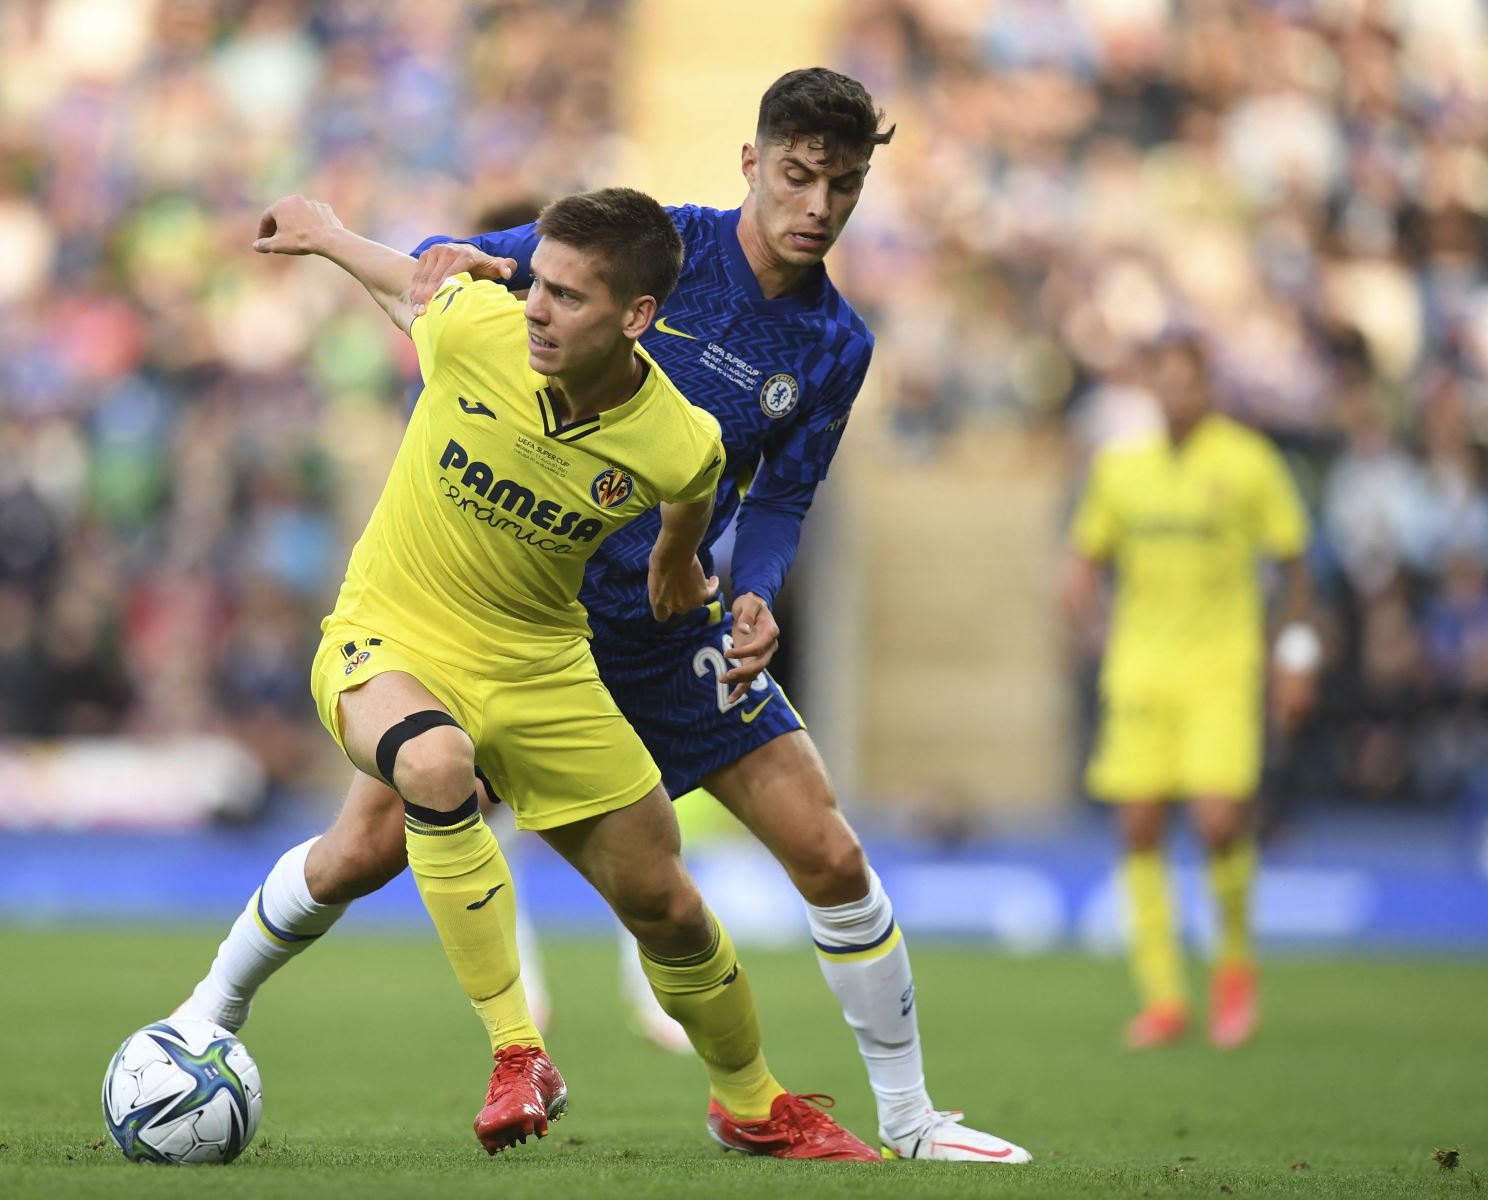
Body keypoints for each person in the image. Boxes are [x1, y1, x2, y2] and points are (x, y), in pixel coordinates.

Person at [181, 68, 1029, 1164]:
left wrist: (755, 587)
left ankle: (906, 1120)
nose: (817, 205)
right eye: (799, 175)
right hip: (524, 614)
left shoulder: (835, 344)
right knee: (362, 847)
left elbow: (779, 491)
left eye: (845, 185)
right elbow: (475, 260)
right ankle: (206, 1015)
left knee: (825, 851)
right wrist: (426, 246)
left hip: (670, 631)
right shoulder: (656, 246)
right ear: (753, 163)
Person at [241, 186, 878, 1160]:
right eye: (536, 285)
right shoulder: (476, 327)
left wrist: (676, 562)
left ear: (635, 320)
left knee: (665, 902)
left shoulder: (677, 436)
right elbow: (405, 282)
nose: (536, 307)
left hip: (544, 665)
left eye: (565, 295)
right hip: (399, 637)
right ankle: (515, 1049)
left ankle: (751, 1102)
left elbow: (698, 488)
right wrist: (326, 236)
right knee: (429, 773)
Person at [1063, 335, 1318, 1050]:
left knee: (1217, 821)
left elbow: (1297, 572)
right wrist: (1089, 620)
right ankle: (1166, 998)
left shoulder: (1249, 462)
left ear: (1208, 387)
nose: (1176, 396)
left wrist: (1297, 661)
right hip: (1140, 671)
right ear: (1151, 388)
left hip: (1221, 669)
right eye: (1165, 383)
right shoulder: (1121, 468)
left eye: (1188, 383)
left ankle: (1235, 965)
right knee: (1138, 827)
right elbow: (1084, 561)